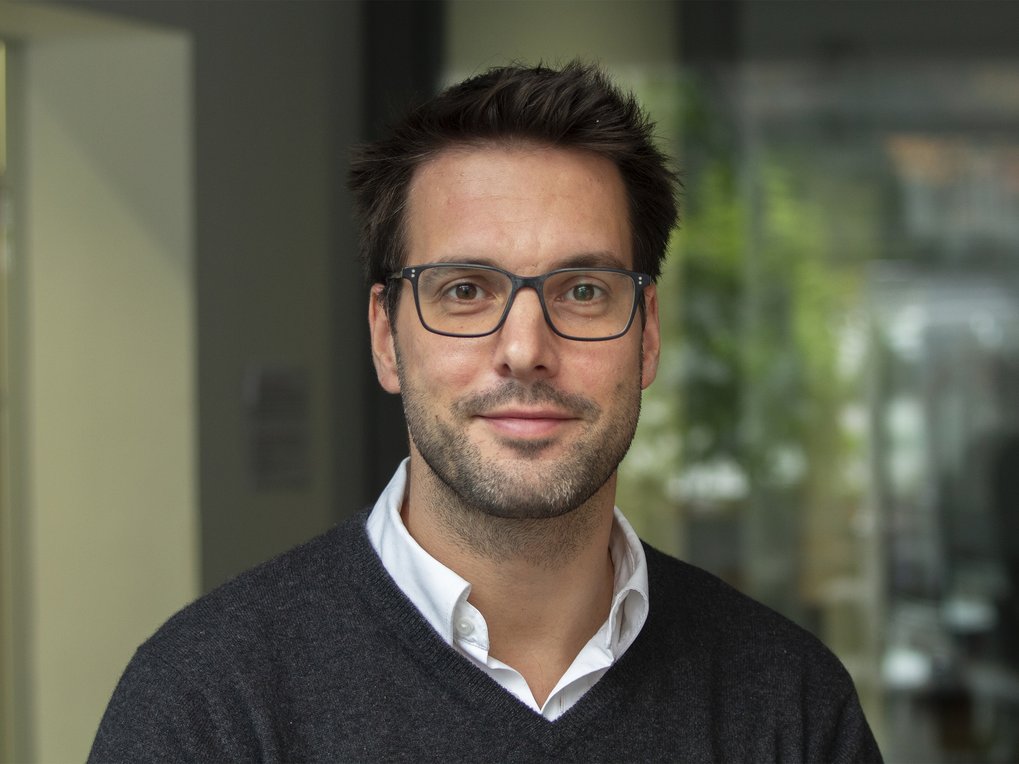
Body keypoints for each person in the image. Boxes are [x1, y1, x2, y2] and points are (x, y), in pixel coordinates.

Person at [89, 61, 881, 762]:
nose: (525, 348)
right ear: (386, 339)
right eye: (465, 291)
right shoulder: (209, 701)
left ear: (646, 339)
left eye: (583, 290)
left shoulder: (788, 703)